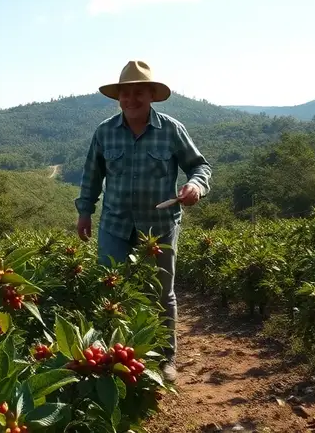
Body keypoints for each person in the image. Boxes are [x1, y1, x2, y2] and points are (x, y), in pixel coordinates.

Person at [74, 60, 212, 384]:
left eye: (138, 92)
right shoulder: (105, 132)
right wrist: (84, 211)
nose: (131, 99)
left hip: (160, 226)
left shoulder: (172, 130)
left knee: (162, 294)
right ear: (118, 97)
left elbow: (200, 167)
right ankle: (114, 358)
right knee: (111, 289)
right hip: (115, 225)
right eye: (125, 93)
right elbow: (91, 176)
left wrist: (196, 186)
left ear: (151, 95)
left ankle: (165, 358)